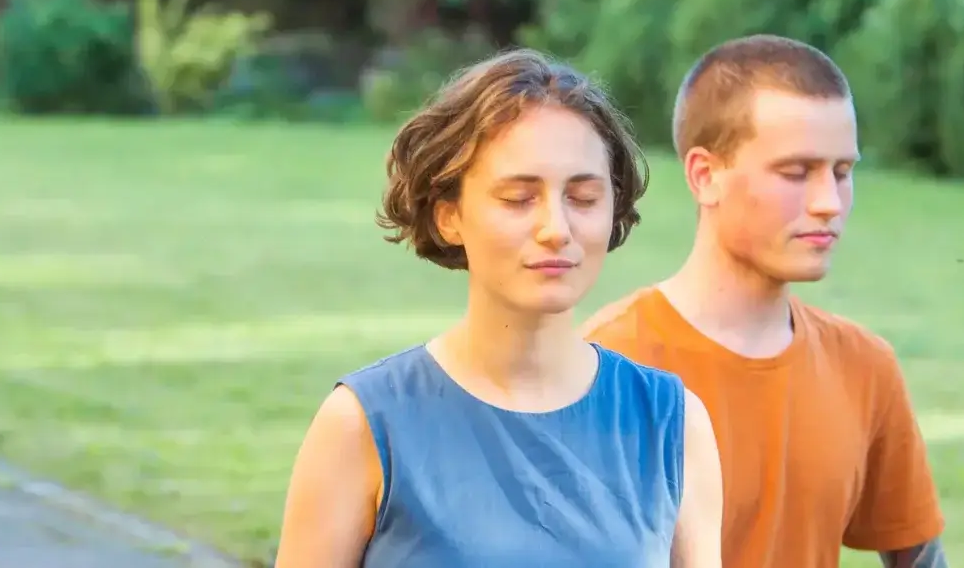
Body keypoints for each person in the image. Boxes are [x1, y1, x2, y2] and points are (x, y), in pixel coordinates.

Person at [274, 49, 724, 568]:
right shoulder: (364, 424)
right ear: (449, 217)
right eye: (518, 198)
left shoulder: (672, 422)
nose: (556, 228)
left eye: (582, 197)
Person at [581, 35, 948, 568]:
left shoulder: (865, 366)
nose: (828, 204)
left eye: (842, 173)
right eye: (796, 172)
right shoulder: (610, 371)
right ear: (706, 176)